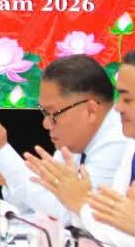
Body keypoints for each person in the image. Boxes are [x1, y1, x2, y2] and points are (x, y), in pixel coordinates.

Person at [0, 54, 127, 225]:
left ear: (90, 111)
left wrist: (2, 153)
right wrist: (10, 176)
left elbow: (69, 215)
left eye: (53, 114)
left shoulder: (118, 139)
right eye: (44, 113)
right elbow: (39, 204)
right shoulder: (76, 138)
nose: (46, 123)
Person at [26, 50, 135, 246]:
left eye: (127, 100)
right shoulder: (132, 148)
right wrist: (79, 202)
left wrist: (80, 203)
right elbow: (114, 227)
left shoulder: (118, 140)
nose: (118, 107)